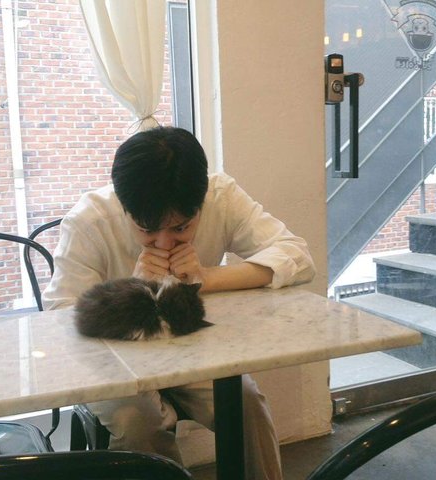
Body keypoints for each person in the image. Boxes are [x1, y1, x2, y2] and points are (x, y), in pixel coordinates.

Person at [43, 126, 316, 480]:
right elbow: (60, 316)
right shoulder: (89, 221)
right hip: (110, 356)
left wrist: (206, 277)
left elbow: (298, 256)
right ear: (124, 208)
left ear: (201, 204)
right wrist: (133, 290)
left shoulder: (220, 197)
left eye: (181, 228)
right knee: (138, 419)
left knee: (245, 403)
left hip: (189, 344)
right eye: (147, 230)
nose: (164, 244)